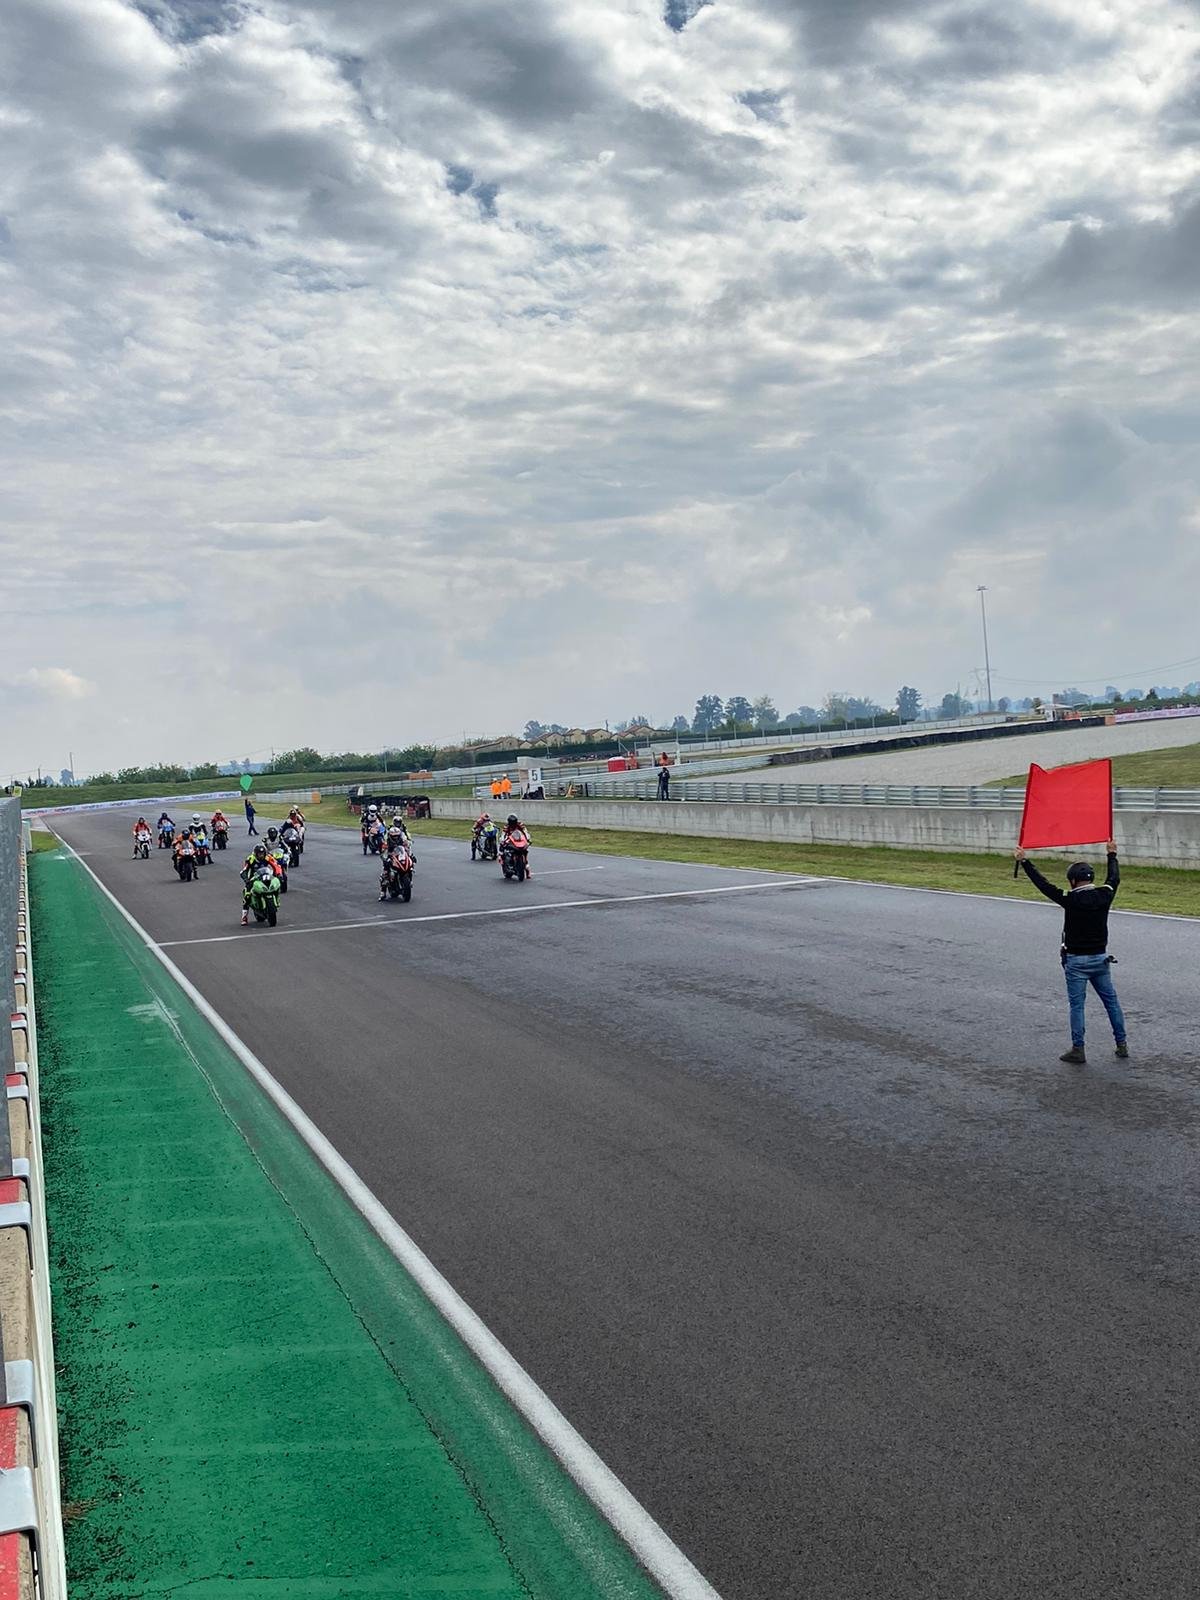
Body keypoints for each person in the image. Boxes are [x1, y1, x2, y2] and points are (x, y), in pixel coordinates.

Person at [1014, 840, 1128, 1064]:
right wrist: (1112, 855)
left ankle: (1078, 1049)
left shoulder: (1070, 898)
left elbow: (1044, 885)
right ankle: (1122, 1044)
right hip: (1101, 959)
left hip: (1076, 961)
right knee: (1111, 1003)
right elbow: (1114, 878)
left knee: (1077, 1006)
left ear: (1073, 881)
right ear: (1091, 879)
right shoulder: (1105, 894)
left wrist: (1025, 861)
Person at [240, 842, 277, 924]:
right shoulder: (251, 859)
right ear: (256, 854)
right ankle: (244, 917)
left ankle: (276, 902)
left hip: (266, 876)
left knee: (276, 886)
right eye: (259, 854)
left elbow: (276, 866)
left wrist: (278, 874)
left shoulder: (268, 857)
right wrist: (246, 879)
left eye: (262, 853)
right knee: (247, 895)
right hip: (253, 879)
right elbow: (244, 871)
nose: (261, 855)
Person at [502, 812, 532, 878]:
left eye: (514, 822)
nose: (512, 824)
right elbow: (503, 834)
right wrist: (503, 841)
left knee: (525, 852)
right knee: (504, 849)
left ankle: (527, 871)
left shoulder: (520, 824)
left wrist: (528, 839)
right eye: (511, 822)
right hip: (510, 840)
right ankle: (505, 862)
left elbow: (525, 832)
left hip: (519, 840)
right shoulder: (506, 826)